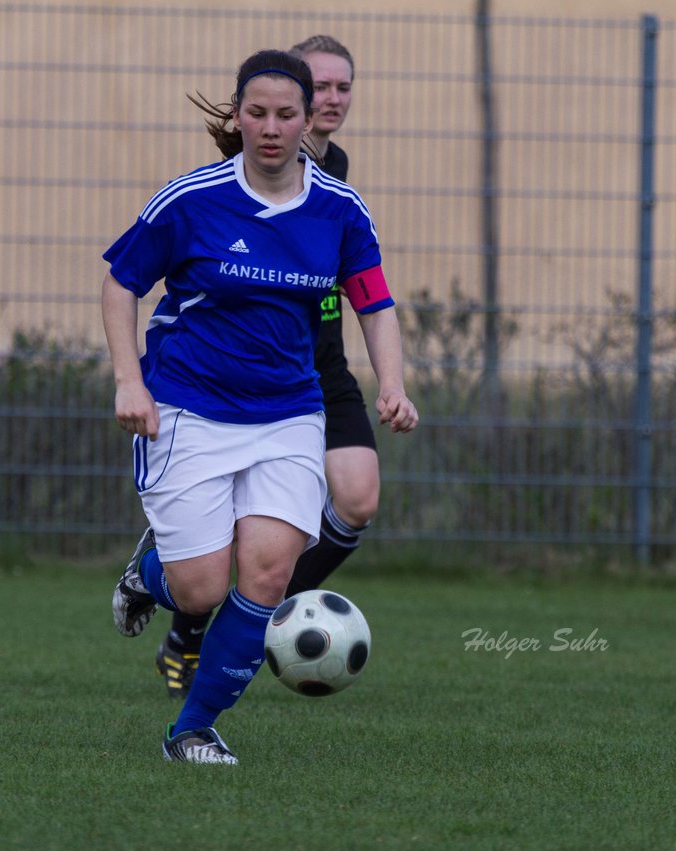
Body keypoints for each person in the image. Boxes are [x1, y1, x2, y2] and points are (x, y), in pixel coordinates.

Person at [102, 48, 417, 764]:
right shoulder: (192, 199)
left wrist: (391, 384)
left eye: (286, 114)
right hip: (187, 408)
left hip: (288, 414)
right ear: (236, 116)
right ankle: (145, 577)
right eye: (257, 113)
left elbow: (374, 302)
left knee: (268, 574)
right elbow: (122, 284)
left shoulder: (339, 209)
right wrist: (129, 380)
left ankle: (193, 728)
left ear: (309, 121)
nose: (270, 128)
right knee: (200, 587)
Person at [154, 35, 377, 701]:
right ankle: (191, 618)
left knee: (357, 500)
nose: (331, 98)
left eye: (342, 87)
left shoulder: (335, 175)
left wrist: (389, 376)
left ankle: (257, 612)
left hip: (318, 369)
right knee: (211, 566)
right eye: (321, 86)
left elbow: (364, 283)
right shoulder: (246, 171)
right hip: (241, 379)